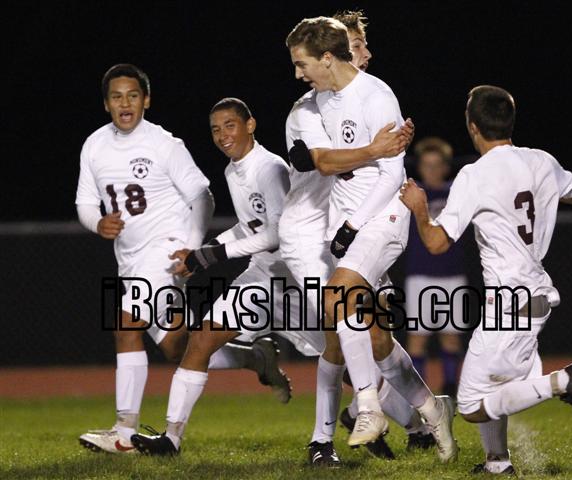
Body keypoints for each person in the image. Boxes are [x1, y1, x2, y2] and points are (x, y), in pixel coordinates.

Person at [76, 66, 288, 455]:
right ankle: (255, 358)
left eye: (133, 95)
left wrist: (190, 248)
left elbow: (202, 196)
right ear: (106, 104)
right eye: (117, 96)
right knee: (178, 347)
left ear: (146, 100)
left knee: (125, 325)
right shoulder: (94, 145)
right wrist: (97, 222)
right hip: (129, 260)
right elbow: (85, 203)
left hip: (164, 251)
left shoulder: (164, 144)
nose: (125, 103)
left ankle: (124, 432)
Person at [400, 85, 572, 475]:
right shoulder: (540, 160)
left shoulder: (475, 175)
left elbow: (436, 242)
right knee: (492, 386)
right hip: (534, 296)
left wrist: (420, 209)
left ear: (472, 126)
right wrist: (543, 193)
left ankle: (564, 381)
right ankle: (497, 463)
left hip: (508, 303)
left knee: (471, 406)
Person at [286, 17, 458, 463]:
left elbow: (390, 175)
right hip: (343, 224)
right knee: (376, 339)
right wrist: (372, 150)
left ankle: (367, 409)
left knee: (337, 295)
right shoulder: (314, 104)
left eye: (302, 64)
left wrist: (353, 224)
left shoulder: (377, 95)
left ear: (326, 57)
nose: (298, 74)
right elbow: (323, 160)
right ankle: (431, 409)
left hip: (381, 218)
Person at [130, 98, 326, 456]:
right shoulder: (233, 170)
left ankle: (416, 423)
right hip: (262, 277)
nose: (222, 135)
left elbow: (276, 234)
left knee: (345, 362)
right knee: (202, 339)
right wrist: (203, 251)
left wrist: (209, 255)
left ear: (250, 125)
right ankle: (171, 439)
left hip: (297, 281)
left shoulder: (269, 168)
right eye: (215, 129)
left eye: (230, 125)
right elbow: (250, 227)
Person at [405, 137, 467, 398]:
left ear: (446, 167)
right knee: (417, 338)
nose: (432, 170)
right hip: (420, 275)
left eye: (437, 164)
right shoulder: (412, 195)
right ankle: (419, 393)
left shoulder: (457, 193)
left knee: (451, 336)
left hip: (452, 274)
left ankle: (450, 388)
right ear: (419, 167)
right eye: (426, 165)